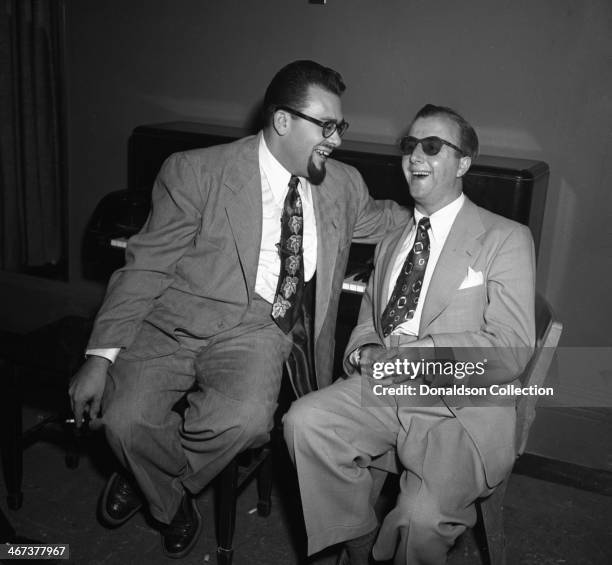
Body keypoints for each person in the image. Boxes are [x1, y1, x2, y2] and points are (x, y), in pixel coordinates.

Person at [68, 59, 408, 559]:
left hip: (258, 328)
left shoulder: (341, 185)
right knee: (122, 421)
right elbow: (146, 267)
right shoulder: (196, 171)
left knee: (247, 422)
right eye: (327, 125)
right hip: (172, 322)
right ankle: (168, 496)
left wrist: (454, 219)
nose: (336, 139)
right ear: (283, 121)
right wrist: (100, 357)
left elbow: (389, 220)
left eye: (341, 126)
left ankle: (155, 485)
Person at [284, 104, 536, 565]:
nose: (415, 156)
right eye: (409, 145)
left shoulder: (506, 237)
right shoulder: (391, 237)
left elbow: (512, 347)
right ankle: (359, 546)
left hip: (458, 407)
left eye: (433, 146)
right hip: (383, 386)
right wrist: (365, 354)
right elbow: (367, 321)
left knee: (420, 517)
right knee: (304, 422)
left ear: (462, 164)